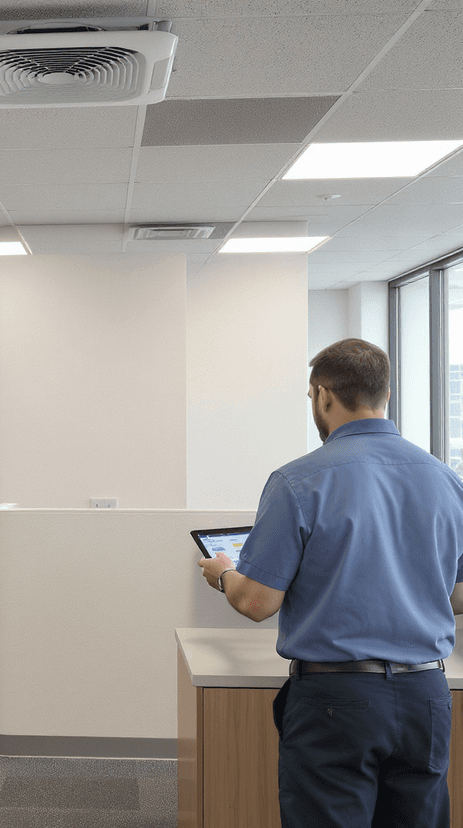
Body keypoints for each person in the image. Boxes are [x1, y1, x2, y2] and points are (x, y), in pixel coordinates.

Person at [198, 337, 463, 828]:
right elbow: (458, 595)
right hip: (425, 695)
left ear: (323, 395)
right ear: (385, 394)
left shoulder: (298, 481)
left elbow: (256, 602)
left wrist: (224, 575)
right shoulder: (446, 480)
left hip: (336, 701)